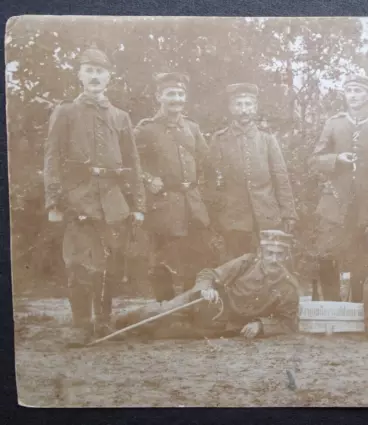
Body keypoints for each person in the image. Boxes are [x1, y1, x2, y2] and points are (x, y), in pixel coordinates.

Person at [43, 44, 146, 344]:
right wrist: (54, 200)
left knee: (112, 263)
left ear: (109, 77)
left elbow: (133, 163)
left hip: (114, 201)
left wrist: (138, 204)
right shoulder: (65, 111)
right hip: (79, 198)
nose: (95, 77)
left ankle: (103, 321)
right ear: (79, 75)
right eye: (89, 71)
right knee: (79, 262)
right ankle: (80, 324)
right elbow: (51, 158)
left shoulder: (120, 116)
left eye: (100, 72)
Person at [114, 230, 300, 339]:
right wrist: (206, 289)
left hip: (222, 326)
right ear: (261, 252)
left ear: (286, 256)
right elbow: (208, 274)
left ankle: (133, 332)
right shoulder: (247, 263)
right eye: (270, 253)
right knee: (160, 313)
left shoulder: (288, 287)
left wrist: (261, 325)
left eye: (279, 254)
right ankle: (117, 322)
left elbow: (288, 322)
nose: (274, 259)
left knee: (167, 334)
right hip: (205, 303)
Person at [309, 74, 368, 302]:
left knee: (364, 256)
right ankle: (332, 306)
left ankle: (360, 308)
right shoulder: (334, 123)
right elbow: (315, 159)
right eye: (349, 91)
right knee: (327, 253)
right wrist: (337, 158)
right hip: (335, 202)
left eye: (359, 91)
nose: (353, 96)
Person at [134, 72, 215, 302]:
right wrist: (149, 180)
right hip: (163, 205)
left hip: (192, 205)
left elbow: (207, 163)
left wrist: (202, 191)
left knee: (194, 259)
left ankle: (188, 309)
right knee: (160, 261)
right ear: (159, 96)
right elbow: (130, 163)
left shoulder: (192, 128)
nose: (176, 99)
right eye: (171, 94)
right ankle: (164, 311)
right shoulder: (146, 129)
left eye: (180, 94)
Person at [206, 83, 298, 260]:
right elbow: (210, 181)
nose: (244, 110)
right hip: (234, 217)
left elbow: (280, 177)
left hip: (267, 214)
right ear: (231, 108)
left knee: (271, 263)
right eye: (239, 104)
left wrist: (288, 212)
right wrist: (217, 215)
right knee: (237, 264)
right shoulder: (220, 139)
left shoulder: (266, 138)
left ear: (255, 108)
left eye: (248, 105)